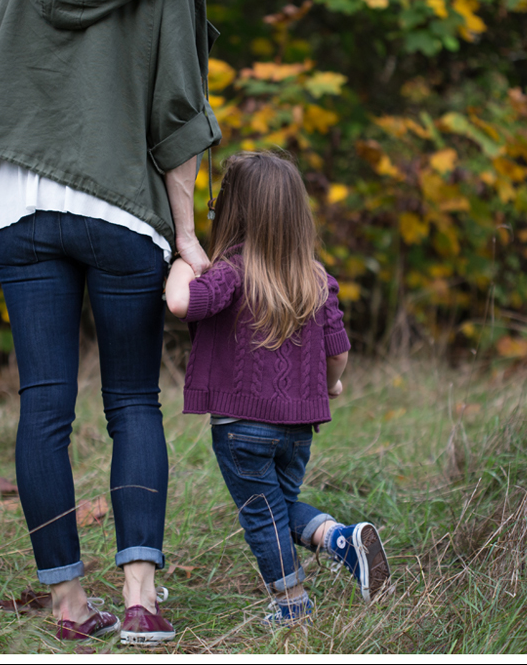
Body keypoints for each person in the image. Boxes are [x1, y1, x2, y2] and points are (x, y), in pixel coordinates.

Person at [0, 0, 221, 644]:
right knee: (132, 400)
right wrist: (187, 237)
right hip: (121, 201)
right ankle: (139, 601)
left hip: (19, 199)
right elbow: (181, 114)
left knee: (44, 401)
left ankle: (70, 606)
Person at [165, 151, 391, 627]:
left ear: (233, 209)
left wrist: (187, 256)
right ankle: (336, 539)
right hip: (298, 430)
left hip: (241, 429)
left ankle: (291, 606)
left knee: (261, 517)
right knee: (279, 507)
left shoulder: (229, 270)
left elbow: (181, 302)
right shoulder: (315, 277)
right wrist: (333, 384)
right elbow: (338, 350)